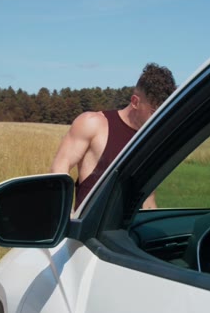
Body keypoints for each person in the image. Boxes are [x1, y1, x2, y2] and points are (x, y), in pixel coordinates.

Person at [50, 63, 177, 209]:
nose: (159, 119)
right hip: (91, 223)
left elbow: (148, 199)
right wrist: (66, 214)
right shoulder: (93, 123)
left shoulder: (151, 141)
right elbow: (59, 168)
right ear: (135, 102)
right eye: (154, 112)